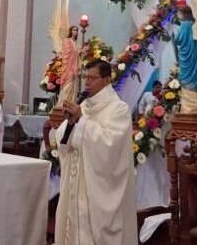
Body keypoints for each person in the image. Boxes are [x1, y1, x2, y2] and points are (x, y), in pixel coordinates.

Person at [55, 60, 136, 245]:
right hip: (77, 182)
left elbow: (110, 145)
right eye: (86, 78)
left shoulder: (118, 109)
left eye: (92, 78)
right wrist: (69, 123)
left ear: (107, 80)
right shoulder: (83, 105)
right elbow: (63, 138)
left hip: (99, 188)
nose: (87, 82)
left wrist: (81, 121)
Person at [174, 6, 197, 113]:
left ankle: (190, 108)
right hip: (196, 55)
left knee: (186, 77)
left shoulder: (185, 25)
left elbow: (178, 40)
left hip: (186, 57)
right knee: (196, 72)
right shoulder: (196, 25)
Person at [59, 26, 80, 105]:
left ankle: (70, 103)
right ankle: (63, 104)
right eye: (74, 30)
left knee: (73, 87)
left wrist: (82, 52)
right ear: (70, 31)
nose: (75, 32)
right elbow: (66, 54)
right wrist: (76, 52)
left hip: (74, 66)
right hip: (68, 67)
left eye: (77, 30)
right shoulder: (67, 41)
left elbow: (76, 54)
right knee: (68, 86)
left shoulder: (75, 43)